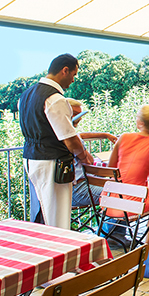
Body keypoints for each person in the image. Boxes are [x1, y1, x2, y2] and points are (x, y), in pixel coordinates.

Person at [19, 54, 94, 230]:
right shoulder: (55, 99)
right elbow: (69, 139)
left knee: (41, 212)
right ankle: (59, 246)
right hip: (52, 162)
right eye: (73, 75)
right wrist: (84, 157)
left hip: (31, 159)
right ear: (64, 70)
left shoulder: (25, 95)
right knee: (57, 217)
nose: (73, 80)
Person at [106, 105, 149, 249]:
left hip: (109, 201)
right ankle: (147, 244)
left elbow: (111, 168)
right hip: (134, 203)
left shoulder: (123, 137)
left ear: (140, 122)